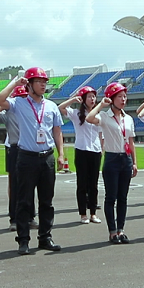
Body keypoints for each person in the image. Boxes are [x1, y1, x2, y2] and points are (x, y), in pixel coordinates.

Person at [0, 67, 64, 255]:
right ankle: (23, 240)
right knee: (24, 201)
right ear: (30, 84)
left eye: (45, 81)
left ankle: (45, 237)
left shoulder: (51, 106)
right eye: (39, 81)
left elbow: (57, 131)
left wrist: (61, 154)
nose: (43, 84)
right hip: (26, 157)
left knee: (46, 201)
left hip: (47, 157)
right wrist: (15, 84)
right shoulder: (19, 103)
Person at [86, 83, 137, 244]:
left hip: (126, 159)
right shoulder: (105, 117)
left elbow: (131, 141)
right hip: (112, 158)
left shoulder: (128, 118)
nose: (123, 99)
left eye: (124, 96)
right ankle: (112, 231)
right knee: (111, 197)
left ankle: (121, 230)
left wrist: (134, 162)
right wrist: (101, 104)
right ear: (111, 98)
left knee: (123, 197)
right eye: (120, 96)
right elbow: (89, 118)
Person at [0, 85, 38, 231]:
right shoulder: (9, 112)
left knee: (30, 185)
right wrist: (9, 100)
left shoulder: (32, 110)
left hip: (30, 148)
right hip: (15, 148)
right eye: (20, 97)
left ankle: (30, 217)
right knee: (15, 186)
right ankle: (14, 219)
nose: (23, 99)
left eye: (25, 97)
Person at [58, 86, 103, 225]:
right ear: (83, 99)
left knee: (93, 184)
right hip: (82, 150)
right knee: (82, 184)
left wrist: (102, 149)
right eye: (89, 96)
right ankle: (83, 214)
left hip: (95, 151)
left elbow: (101, 135)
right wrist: (72, 99)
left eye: (93, 96)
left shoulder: (99, 115)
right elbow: (61, 108)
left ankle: (93, 213)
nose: (92, 99)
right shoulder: (76, 114)